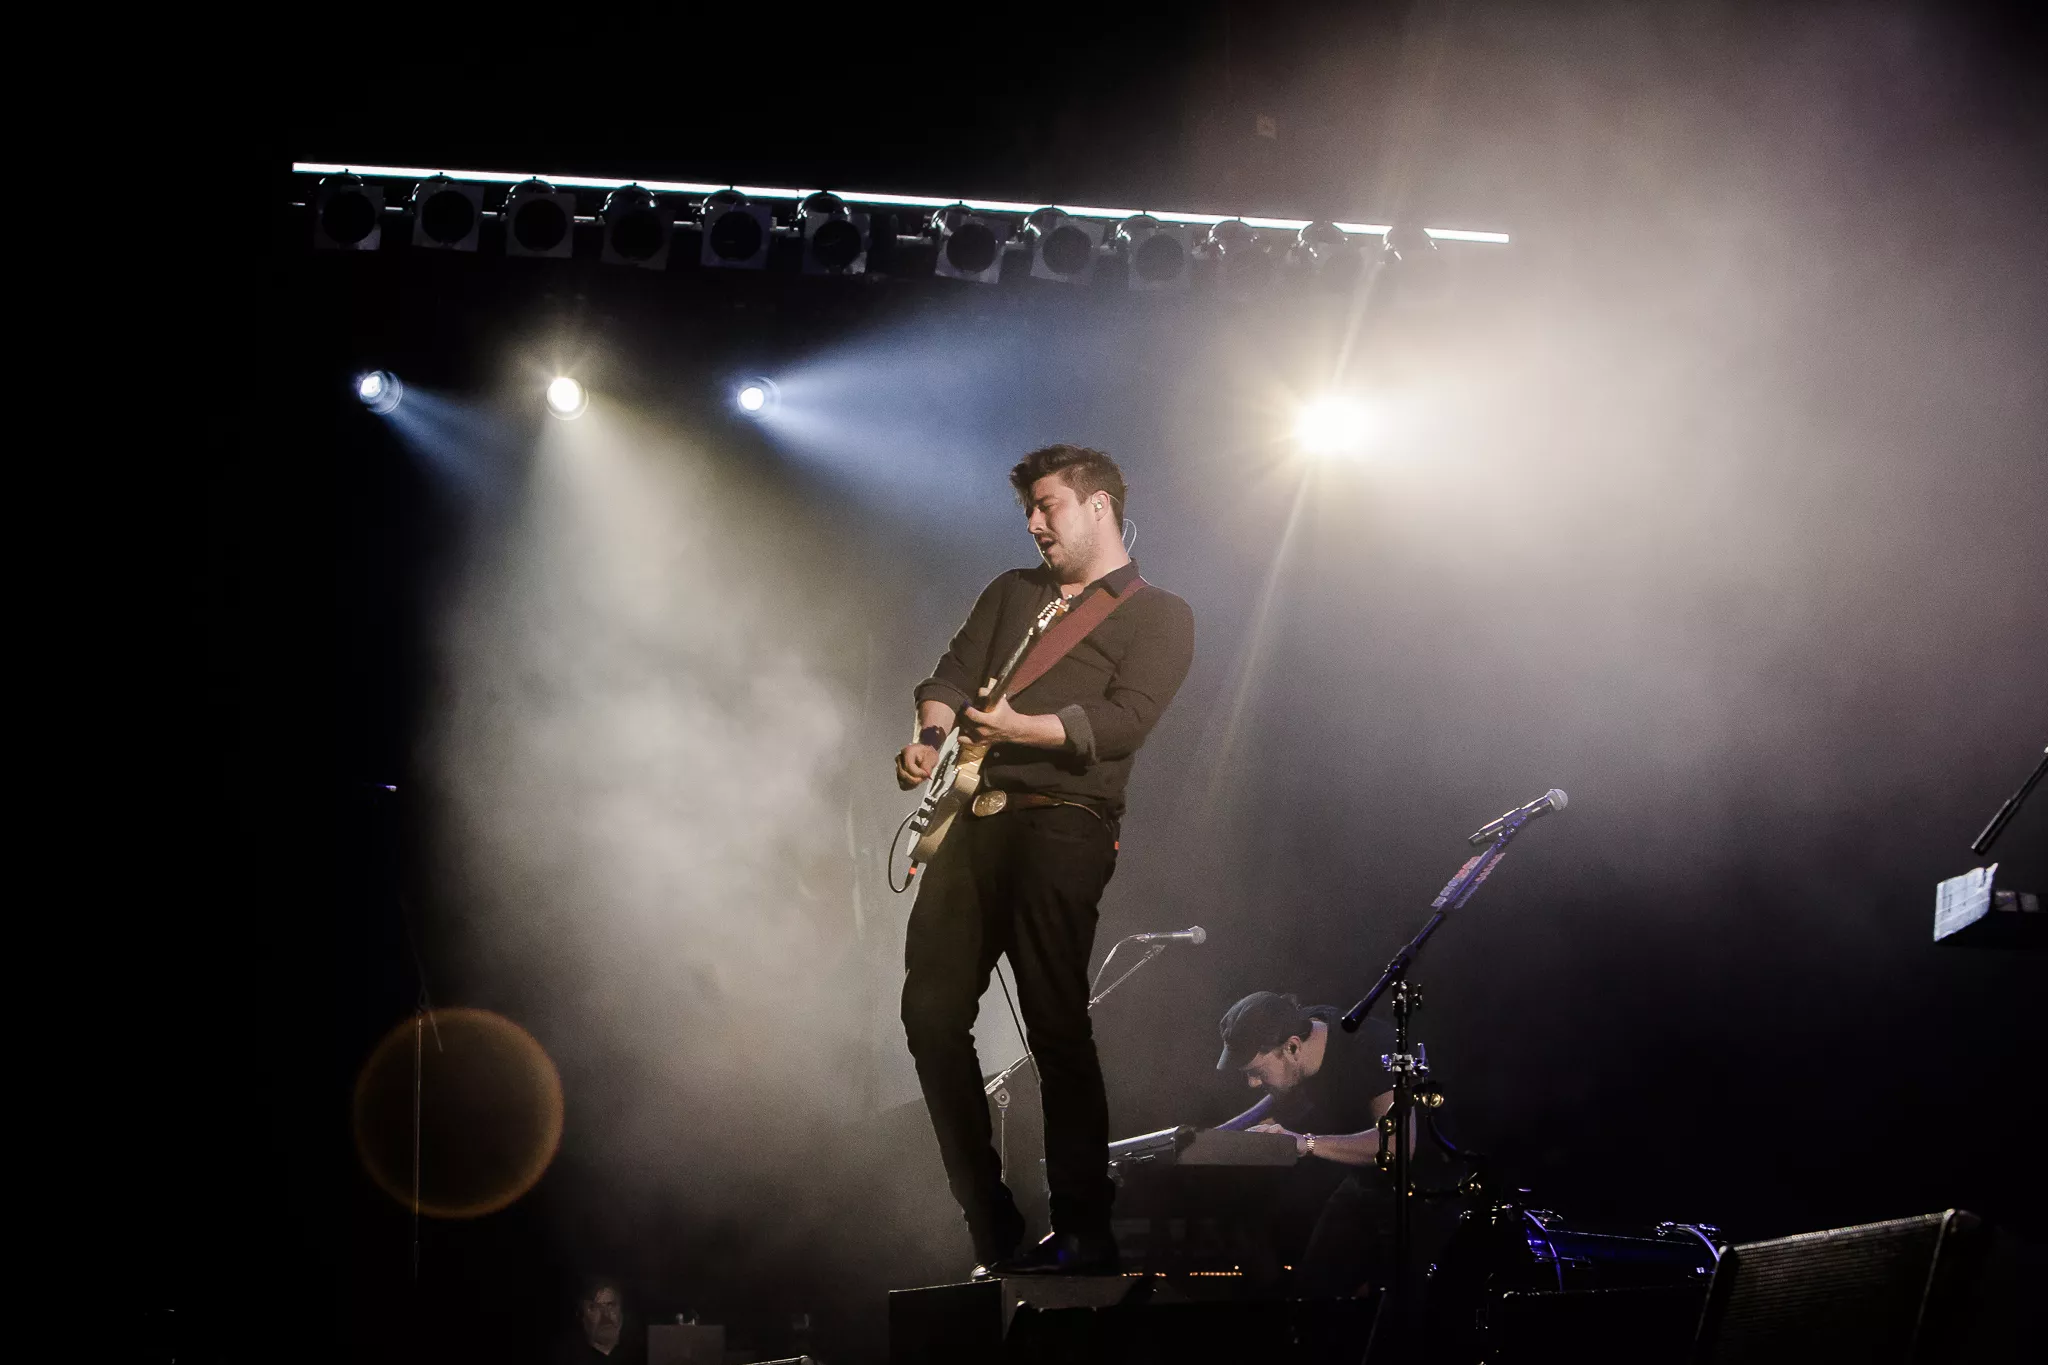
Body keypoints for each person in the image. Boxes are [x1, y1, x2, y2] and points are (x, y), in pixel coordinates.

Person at [896, 444, 1195, 1276]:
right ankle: (989, 1220)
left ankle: (1084, 1226)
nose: (1033, 522)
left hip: (1064, 824)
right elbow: (951, 674)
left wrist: (1015, 729)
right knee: (928, 1016)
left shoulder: (1159, 614)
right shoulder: (1012, 591)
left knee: (1055, 1021)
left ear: (1099, 506)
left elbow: (1125, 721)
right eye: (1028, 508)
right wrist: (929, 737)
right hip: (972, 823)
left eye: (1048, 505)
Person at [1214, 991, 1400, 1297]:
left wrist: (1306, 1143)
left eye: (1256, 1072)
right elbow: (1273, 1104)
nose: (1253, 1083)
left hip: (1424, 1186)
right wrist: (1210, 1137)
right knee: (1311, 1297)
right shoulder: (1301, 1030)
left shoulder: (1369, 1045)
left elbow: (1395, 1146)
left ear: (1292, 1047)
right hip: (1366, 1182)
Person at [556, 1276, 643, 1364]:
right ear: (581, 1316)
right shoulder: (566, 1359)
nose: (605, 1315)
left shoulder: (641, 1354)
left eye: (610, 1305)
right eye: (594, 1308)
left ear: (621, 1312)